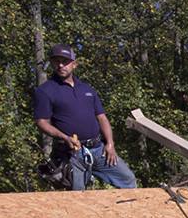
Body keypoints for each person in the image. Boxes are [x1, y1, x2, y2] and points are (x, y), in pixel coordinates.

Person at [33, 45, 137, 191]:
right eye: (57, 61)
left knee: (128, 181)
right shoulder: (45, 90)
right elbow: (41, 122)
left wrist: (110, 144)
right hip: (72, 153)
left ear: (74, 64)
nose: (61, 65)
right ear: (51, 63)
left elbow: (102, 118)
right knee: (78, 197)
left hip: (99, 149)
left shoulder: (87, 89)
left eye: (65, 61)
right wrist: (64, 137)